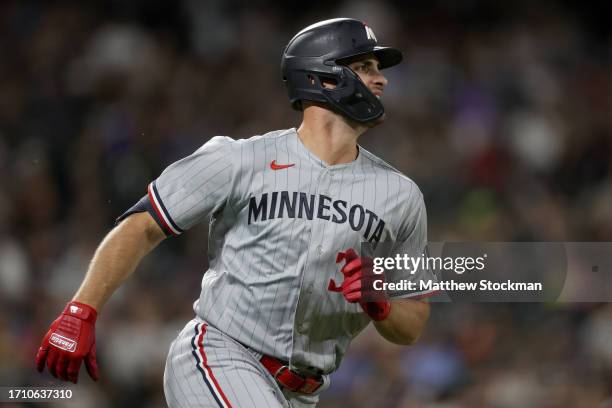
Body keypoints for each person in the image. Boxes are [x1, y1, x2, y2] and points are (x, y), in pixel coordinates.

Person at [35, 18, 435, 407]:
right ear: (322, 75)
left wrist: (381, 304)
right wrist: (81, 310)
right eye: (365, 68)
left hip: (301, 391)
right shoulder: (240, 159)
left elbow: (413, 321)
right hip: (219, 356)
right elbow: (142, 227)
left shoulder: (401, 196)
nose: (381, 80)